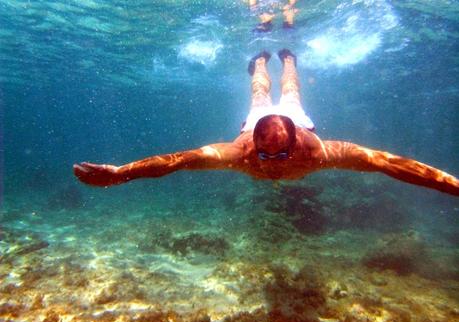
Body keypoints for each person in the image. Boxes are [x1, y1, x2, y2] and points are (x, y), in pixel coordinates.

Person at [74, 49, 459, 197]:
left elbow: (389, 163)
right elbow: (176, 161)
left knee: (290, 90)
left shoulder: (319, 151)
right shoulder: (240, 151)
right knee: (260, 93)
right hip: (260, 120)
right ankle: (260, 61)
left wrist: (452, 186)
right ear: (253, 143)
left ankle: (288, 59)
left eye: (278, 155)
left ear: (298, 142)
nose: (269, 163)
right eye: (264, 154)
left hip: (291, 119)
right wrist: (121, 173)